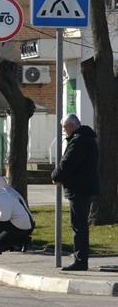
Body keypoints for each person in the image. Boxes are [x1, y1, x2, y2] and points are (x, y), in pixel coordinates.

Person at [51, 114, 99, 272]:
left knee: (79, 226)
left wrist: (55, 176)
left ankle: (80, 260)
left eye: (65, 127)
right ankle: (80, 259)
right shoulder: (87, 138)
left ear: (72, 125)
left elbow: (67, 163)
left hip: (79, 188)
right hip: (84, 187)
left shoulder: (79, 140)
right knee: (80, 225)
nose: (63, 130)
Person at [0, 174, 35, 255]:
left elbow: (4, 217)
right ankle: (23, 240)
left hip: (24, 225)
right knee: (1, 241)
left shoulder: (5, 195)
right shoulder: (0, 193)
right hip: (22, 223)